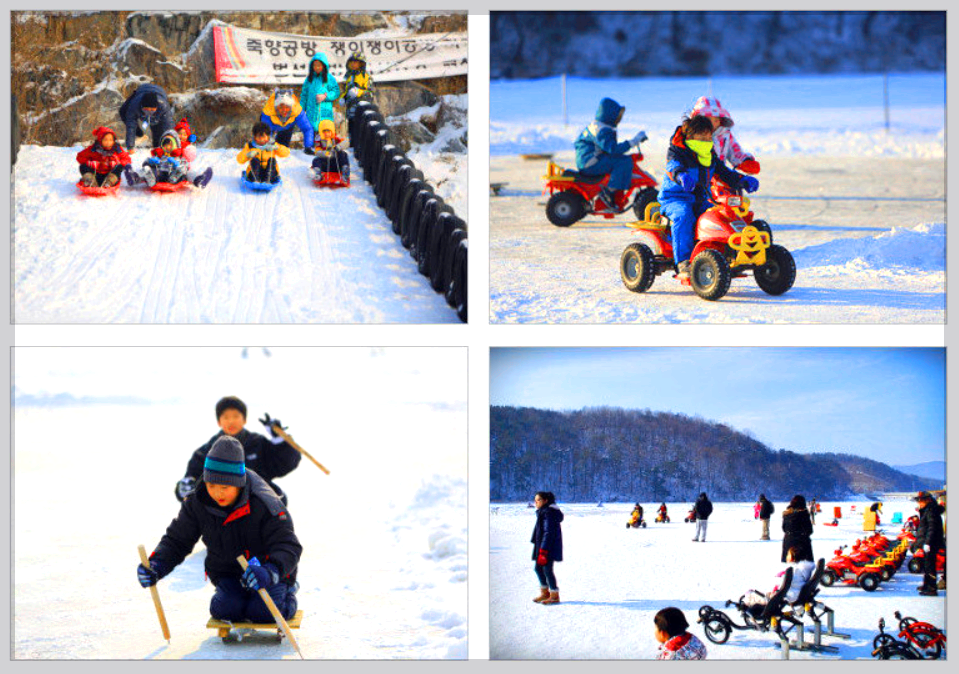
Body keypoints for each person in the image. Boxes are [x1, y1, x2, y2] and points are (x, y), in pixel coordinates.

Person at [138, 436, 302, 622]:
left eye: (225, 487)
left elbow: (288, 545)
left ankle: (288, 591)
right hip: (228, 572)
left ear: (239, 483)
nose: (217, 493)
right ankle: (237, 597)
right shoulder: (198, 501)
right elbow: (178, 539)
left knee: (263, 612)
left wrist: (271, 571)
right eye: (211, 485)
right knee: (226, 610)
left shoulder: (265, 502)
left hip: (267, 571)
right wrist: (156, 565)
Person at [657, 116, 757, 279]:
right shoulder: (677, 152)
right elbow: (672, 166)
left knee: (720, 217)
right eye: (702, 137)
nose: (706, 141)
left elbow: (724, 173)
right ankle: (683, 262)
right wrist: (681, 175)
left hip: (700, 199)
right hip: (675, 199)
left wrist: (742, 180)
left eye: (709, 137)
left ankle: (727, 253)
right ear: (690, 136)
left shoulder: (709, 155)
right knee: (684, 215)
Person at [175, 396, 301, 505]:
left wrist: (280, 439)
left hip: (258, 507)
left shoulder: (258, 443)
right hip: (222, 512)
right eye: (226, 417)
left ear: (244, 419)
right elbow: (189, 484)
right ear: (219, 422)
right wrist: (184, 488)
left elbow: (288, 462)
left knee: (279, 501)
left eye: (236, 416)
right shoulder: (207, 451)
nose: (231, 421)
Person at [573, 97, 646, 212]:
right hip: (590, 163)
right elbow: (613, 149)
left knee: (622, 159)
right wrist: (633, 142)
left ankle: (614, 191)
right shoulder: (601, 129)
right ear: (609, 114)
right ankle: (610, 193)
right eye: (618, 116)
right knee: (623, 162)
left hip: (590, 160)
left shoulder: (599, 126)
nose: (619, 119)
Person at [689, 96, 759, 174]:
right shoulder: (693, 136)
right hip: (698, 174)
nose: (712, 124)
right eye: (708, 120)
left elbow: (734, 150)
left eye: (716, 120)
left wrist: (745, 161)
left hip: (721, 174)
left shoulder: (724, 134)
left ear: (721, 120)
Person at [742, 547, 815, 616]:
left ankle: (746, 605)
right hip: (796, 593)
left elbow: (779, 584)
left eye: (788, 555)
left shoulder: (790, 570)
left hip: (785, 595)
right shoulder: (802, 570)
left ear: (792, 558)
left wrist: (772, 592)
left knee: (753, 595)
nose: (786, 556)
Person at [119, 83, 175, 152]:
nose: (149, 112)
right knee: (123, 112)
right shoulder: (134, 105)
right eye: (146, 110)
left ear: (157, 107)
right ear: (142, 107)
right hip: (141, 91)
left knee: (157, 127)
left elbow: (168, 124)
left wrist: (169, 142)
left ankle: (157, 147)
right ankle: (138, 131)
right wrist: (130, 146)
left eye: (152, 110)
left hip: (159, 92)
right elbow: (131, 125)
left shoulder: (163, 106)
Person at [531, 491, 563, 605]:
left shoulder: (549, 512)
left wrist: (543, 550)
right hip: (542, 545)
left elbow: (548, 532)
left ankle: (554, 595)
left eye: (538, 500)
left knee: (547, 570)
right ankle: (545, 593)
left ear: (545, 501)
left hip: (548, 547)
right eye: (535, 500)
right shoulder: (543, 512)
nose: (536, 502)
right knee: (538, 568)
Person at [259, 89, 314, 154]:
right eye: (281, 107)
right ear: (276, 107)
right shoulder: (268, 112)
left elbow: (307, 129)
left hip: (287, 126)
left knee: (282, 149)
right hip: (273, 126)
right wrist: (267, 144)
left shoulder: (297, 110)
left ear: (291, 107)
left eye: (287, 107)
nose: (284, 110)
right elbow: (265, 132)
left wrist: (308, 147)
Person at [912, 491, 944, 596]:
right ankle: (926, 585)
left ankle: (931, 588)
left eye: (921, 501)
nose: (919, 503)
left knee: (930, 565)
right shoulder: (927, 510)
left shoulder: (931, 510)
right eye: (918, 501)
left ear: (927, 500)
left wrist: (928, 543)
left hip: (931, 543)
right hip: (927, 542)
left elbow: (932, 528)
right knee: (926, 564)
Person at [301, 53, 341, 134]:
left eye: (319, 65)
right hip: (311, 114)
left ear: (324, 65)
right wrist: (301, 110)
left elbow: (336, 91)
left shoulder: (329, 78)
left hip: (325, 113)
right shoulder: (309, 79)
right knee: (311, 136)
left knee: (325, 137)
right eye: (314, 65)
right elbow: (304, 95)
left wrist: (325, 96)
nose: (316, 67)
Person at [173, 117, 213, 188]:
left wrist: (188, 146)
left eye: (184, 135)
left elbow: (191, 157)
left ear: (188, 137)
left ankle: (200, 180)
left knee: (190, 174)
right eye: (179, 133)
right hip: (171, 168)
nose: (181, 136)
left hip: (184, 169)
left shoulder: (187, 146)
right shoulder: (171, 143)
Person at [311, 119, 350, 183]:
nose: (326, 134)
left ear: (332, 131)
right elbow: (317, 152)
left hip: (337, 164)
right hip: (325, 164)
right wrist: (325, 153)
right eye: (324, 132)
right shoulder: (319, 140)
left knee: (343, 154)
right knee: (316, 160)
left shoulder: (336, 137)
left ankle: (345, 171)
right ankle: (318, 173)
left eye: (328, 131)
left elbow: (346, 142)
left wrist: (338, 146)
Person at [782, 495, 814, 563]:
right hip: (802, 543)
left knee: (789, 564)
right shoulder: (804, 514)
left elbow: (784, 528)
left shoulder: (786, 514)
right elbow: (809, 530)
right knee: (804, 564)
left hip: (788, 542)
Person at [342, 50, 374, 119]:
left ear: (361, 63)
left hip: (363, 110)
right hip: (350, 111)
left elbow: (370, 94)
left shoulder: (366, 76)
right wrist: (343, 98)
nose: (353, 64)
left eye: (355, 62)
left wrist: (358, 92)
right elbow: (346, 90)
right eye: (351, 62)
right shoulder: (349, 76)